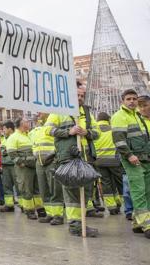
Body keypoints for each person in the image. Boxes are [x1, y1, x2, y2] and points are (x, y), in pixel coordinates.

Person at [45, 84, 99, 237]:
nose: (80, 98)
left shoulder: (87, 113)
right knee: (72, 192)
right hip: (68, 158)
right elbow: (48, 130)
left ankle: (81, 222)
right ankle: (75, 225)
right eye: (77, 95)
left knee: (86, 191)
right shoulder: (58, 111)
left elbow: (97, 132)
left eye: (82, 96)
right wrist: (68, 132)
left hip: (87, 158)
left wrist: (87, 132)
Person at [112, 91, 150, 238]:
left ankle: (136, 223)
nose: (132, 101)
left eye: (134, 99)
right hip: (132, 160)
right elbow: (119, 140)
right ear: (123, 101)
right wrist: (129, 155)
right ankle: (147, 224)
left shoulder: (138, 116)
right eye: (129, 99)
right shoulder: (119, 116)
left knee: (146, 191)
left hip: (144, 158)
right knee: (138, 190)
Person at [32, 113, 64, 225]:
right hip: (39, 162)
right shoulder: (37, 128)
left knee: (55, 189)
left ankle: (58, 215)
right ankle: (49, 214)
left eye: (41, 111)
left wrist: (55, 156)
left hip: (52, 160)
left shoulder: (54, 121)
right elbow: (34, 144)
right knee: (44, 189)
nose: (38, 113)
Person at [6, 118, 38, 220]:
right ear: (21, 124)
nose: (29, 123)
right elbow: (11, 153)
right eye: (27, 122)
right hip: (24, 167)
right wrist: (21, 163)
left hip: (33, 165)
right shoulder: (13, 137)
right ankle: (29, 211)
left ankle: (40, 209)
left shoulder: (28, 135)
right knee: (26, 189)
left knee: (37, 190)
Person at [94, 112, 124, 215]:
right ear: (108, 120)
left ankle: (111, 207)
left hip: (99, 162)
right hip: (114, 161)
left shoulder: (94, 130)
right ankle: (121, 204)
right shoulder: (112, 129)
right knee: (119, 183)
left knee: (106, 184)